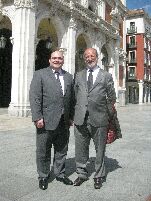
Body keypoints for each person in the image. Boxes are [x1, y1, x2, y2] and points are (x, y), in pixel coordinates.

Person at [73, 47, 121, 189]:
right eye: (86, 56)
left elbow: (112, 97)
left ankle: (99, 175)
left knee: (100, 150)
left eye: (92, 56)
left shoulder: (106, 75)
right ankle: (81, 173)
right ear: (84, 58)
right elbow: (76, 95)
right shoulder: (79, 75)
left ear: (97, 57)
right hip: (80, 118)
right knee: (80, 149)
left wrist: (106, 114)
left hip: (99, 119)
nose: (89, 58)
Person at [29, 50, 74, 190]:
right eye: (54, 58)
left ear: (63, 60)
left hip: (64, 121)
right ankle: (43, 175)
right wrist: (37, 117)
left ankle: (60, 173)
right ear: (49, 60)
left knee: (61, 149)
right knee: (43, 150)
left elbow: (71, 99)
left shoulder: (68, 76)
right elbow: (35, 97)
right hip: (45, 120)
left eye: (59, 58)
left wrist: (71, 116)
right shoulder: (40, 74)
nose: (57, 60)